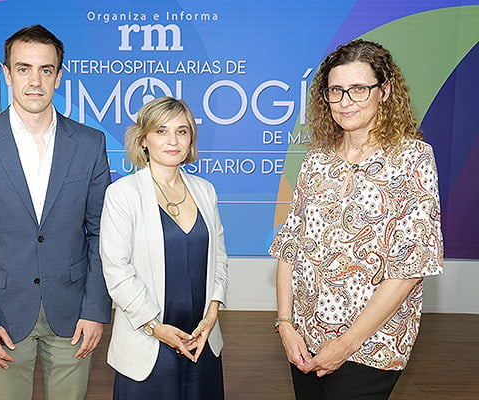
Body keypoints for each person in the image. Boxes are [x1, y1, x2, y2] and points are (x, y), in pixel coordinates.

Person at [269, 39, 443, 400]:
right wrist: (285, 324)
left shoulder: (412, 160)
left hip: (370, 347)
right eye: (337, 90)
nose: (346, 101)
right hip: (304, 341)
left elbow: (409, 269)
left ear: (385, 91)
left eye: (358, 89)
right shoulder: (316, 161)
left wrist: (346, 344)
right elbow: (290, 246)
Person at [0, 25, 111, 399]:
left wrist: (97, 308)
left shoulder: (90, 144)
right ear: (6, 73)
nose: (35, 80)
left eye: (45, 69)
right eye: (23, 68)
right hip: (0, 316)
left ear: (58, 76)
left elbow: (103, 235)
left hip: (74, 315)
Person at [100, 96, 228, 399]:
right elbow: (117, 272)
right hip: (148, 342)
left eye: (182, 131)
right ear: (144, 139)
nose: (172, 140)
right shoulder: (123, 194)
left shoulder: (205, 191)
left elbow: (219, 259)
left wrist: (211, 315)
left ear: (191, 140)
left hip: (201, 339)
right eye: (161, 131)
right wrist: (156, 327)